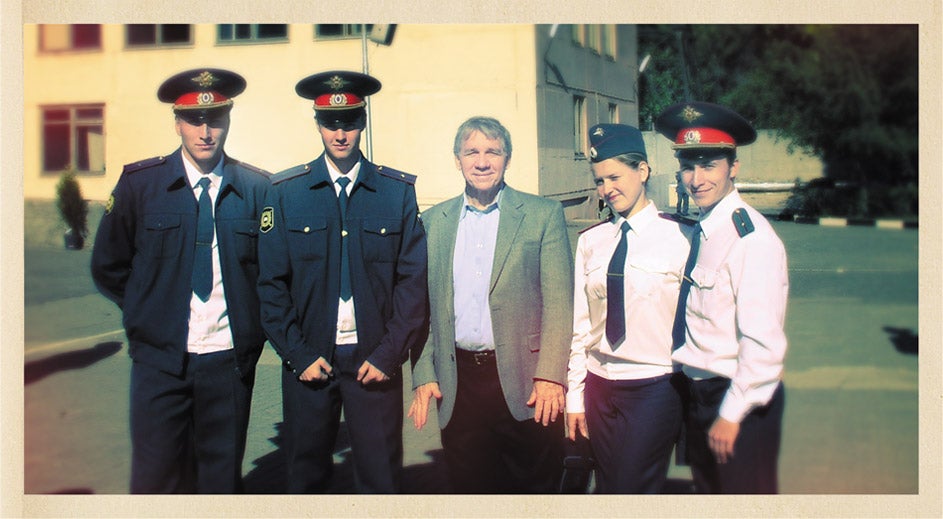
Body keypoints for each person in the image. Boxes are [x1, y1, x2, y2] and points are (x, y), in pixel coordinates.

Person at [90, 68, 270, 493]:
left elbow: (268, 274)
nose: (205, 131)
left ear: (229, 119)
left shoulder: (257, 189)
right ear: (177, 122)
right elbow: (109, 266)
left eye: (216, 118)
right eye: (194, 120)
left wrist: (251, 335)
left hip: (228, 363)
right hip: (160, 364)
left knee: (220, 481)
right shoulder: (142, 185)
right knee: (156, 480)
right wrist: (149, 313)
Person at [257, 70, 428, 493]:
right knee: (305, 476)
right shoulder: (286, 192)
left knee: (381, 476)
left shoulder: (396, 192)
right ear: (317, 124)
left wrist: (389, 354)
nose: (340, 133)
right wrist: (297, 354)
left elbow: (412, 283)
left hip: (374, 362)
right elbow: (271, 284)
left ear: (362, 122)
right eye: (331, 123)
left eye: (349, 121)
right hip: (310, 360)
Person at [408, 116, 574, 493]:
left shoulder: (542, 215)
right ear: (457, 160)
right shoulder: (433, 222)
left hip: (527, 381)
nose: (482, 162)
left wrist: (550, 374)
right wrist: (423, 374)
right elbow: (422, 310)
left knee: (535, 490)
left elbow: (560, 304)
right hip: (459, 383)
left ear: (507, 159)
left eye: (492, 152)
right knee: (471, 491)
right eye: (472, 152)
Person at [655, 101, 789, 493]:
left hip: (737, 399)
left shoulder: (751, 239)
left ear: (733, 167)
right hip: (701, 395)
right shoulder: (706, 228)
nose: (696, 179)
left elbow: (762, 342)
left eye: (709, 165)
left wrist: (731, 414)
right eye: (688, 166)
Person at [566, 124, 692, 493]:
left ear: (643, 171)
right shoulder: (591, 241)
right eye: (600, 180)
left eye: (615, 177)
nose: (607, 189)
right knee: (608, 485)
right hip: (599, 386)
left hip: (655, 385)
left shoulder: (682, 237)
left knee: (630, 487)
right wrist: (576, 397)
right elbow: (581, 326)